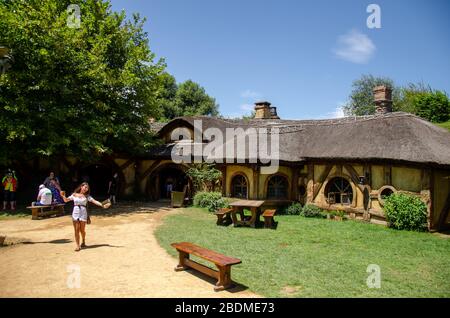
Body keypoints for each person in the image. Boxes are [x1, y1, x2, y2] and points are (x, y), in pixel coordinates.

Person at [61, 182, 109, 252]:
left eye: (87, 188)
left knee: (82, 230)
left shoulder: (87, 196)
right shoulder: (74, 194)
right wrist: (63, 196)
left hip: (83, 213)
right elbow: (66, 200)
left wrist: (102, 205)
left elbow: (94, 201)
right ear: (81, 187)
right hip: (76, 212)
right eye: (85, 187)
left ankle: (83, 241)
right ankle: (78, 245)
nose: (86, 189)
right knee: (76, 229)